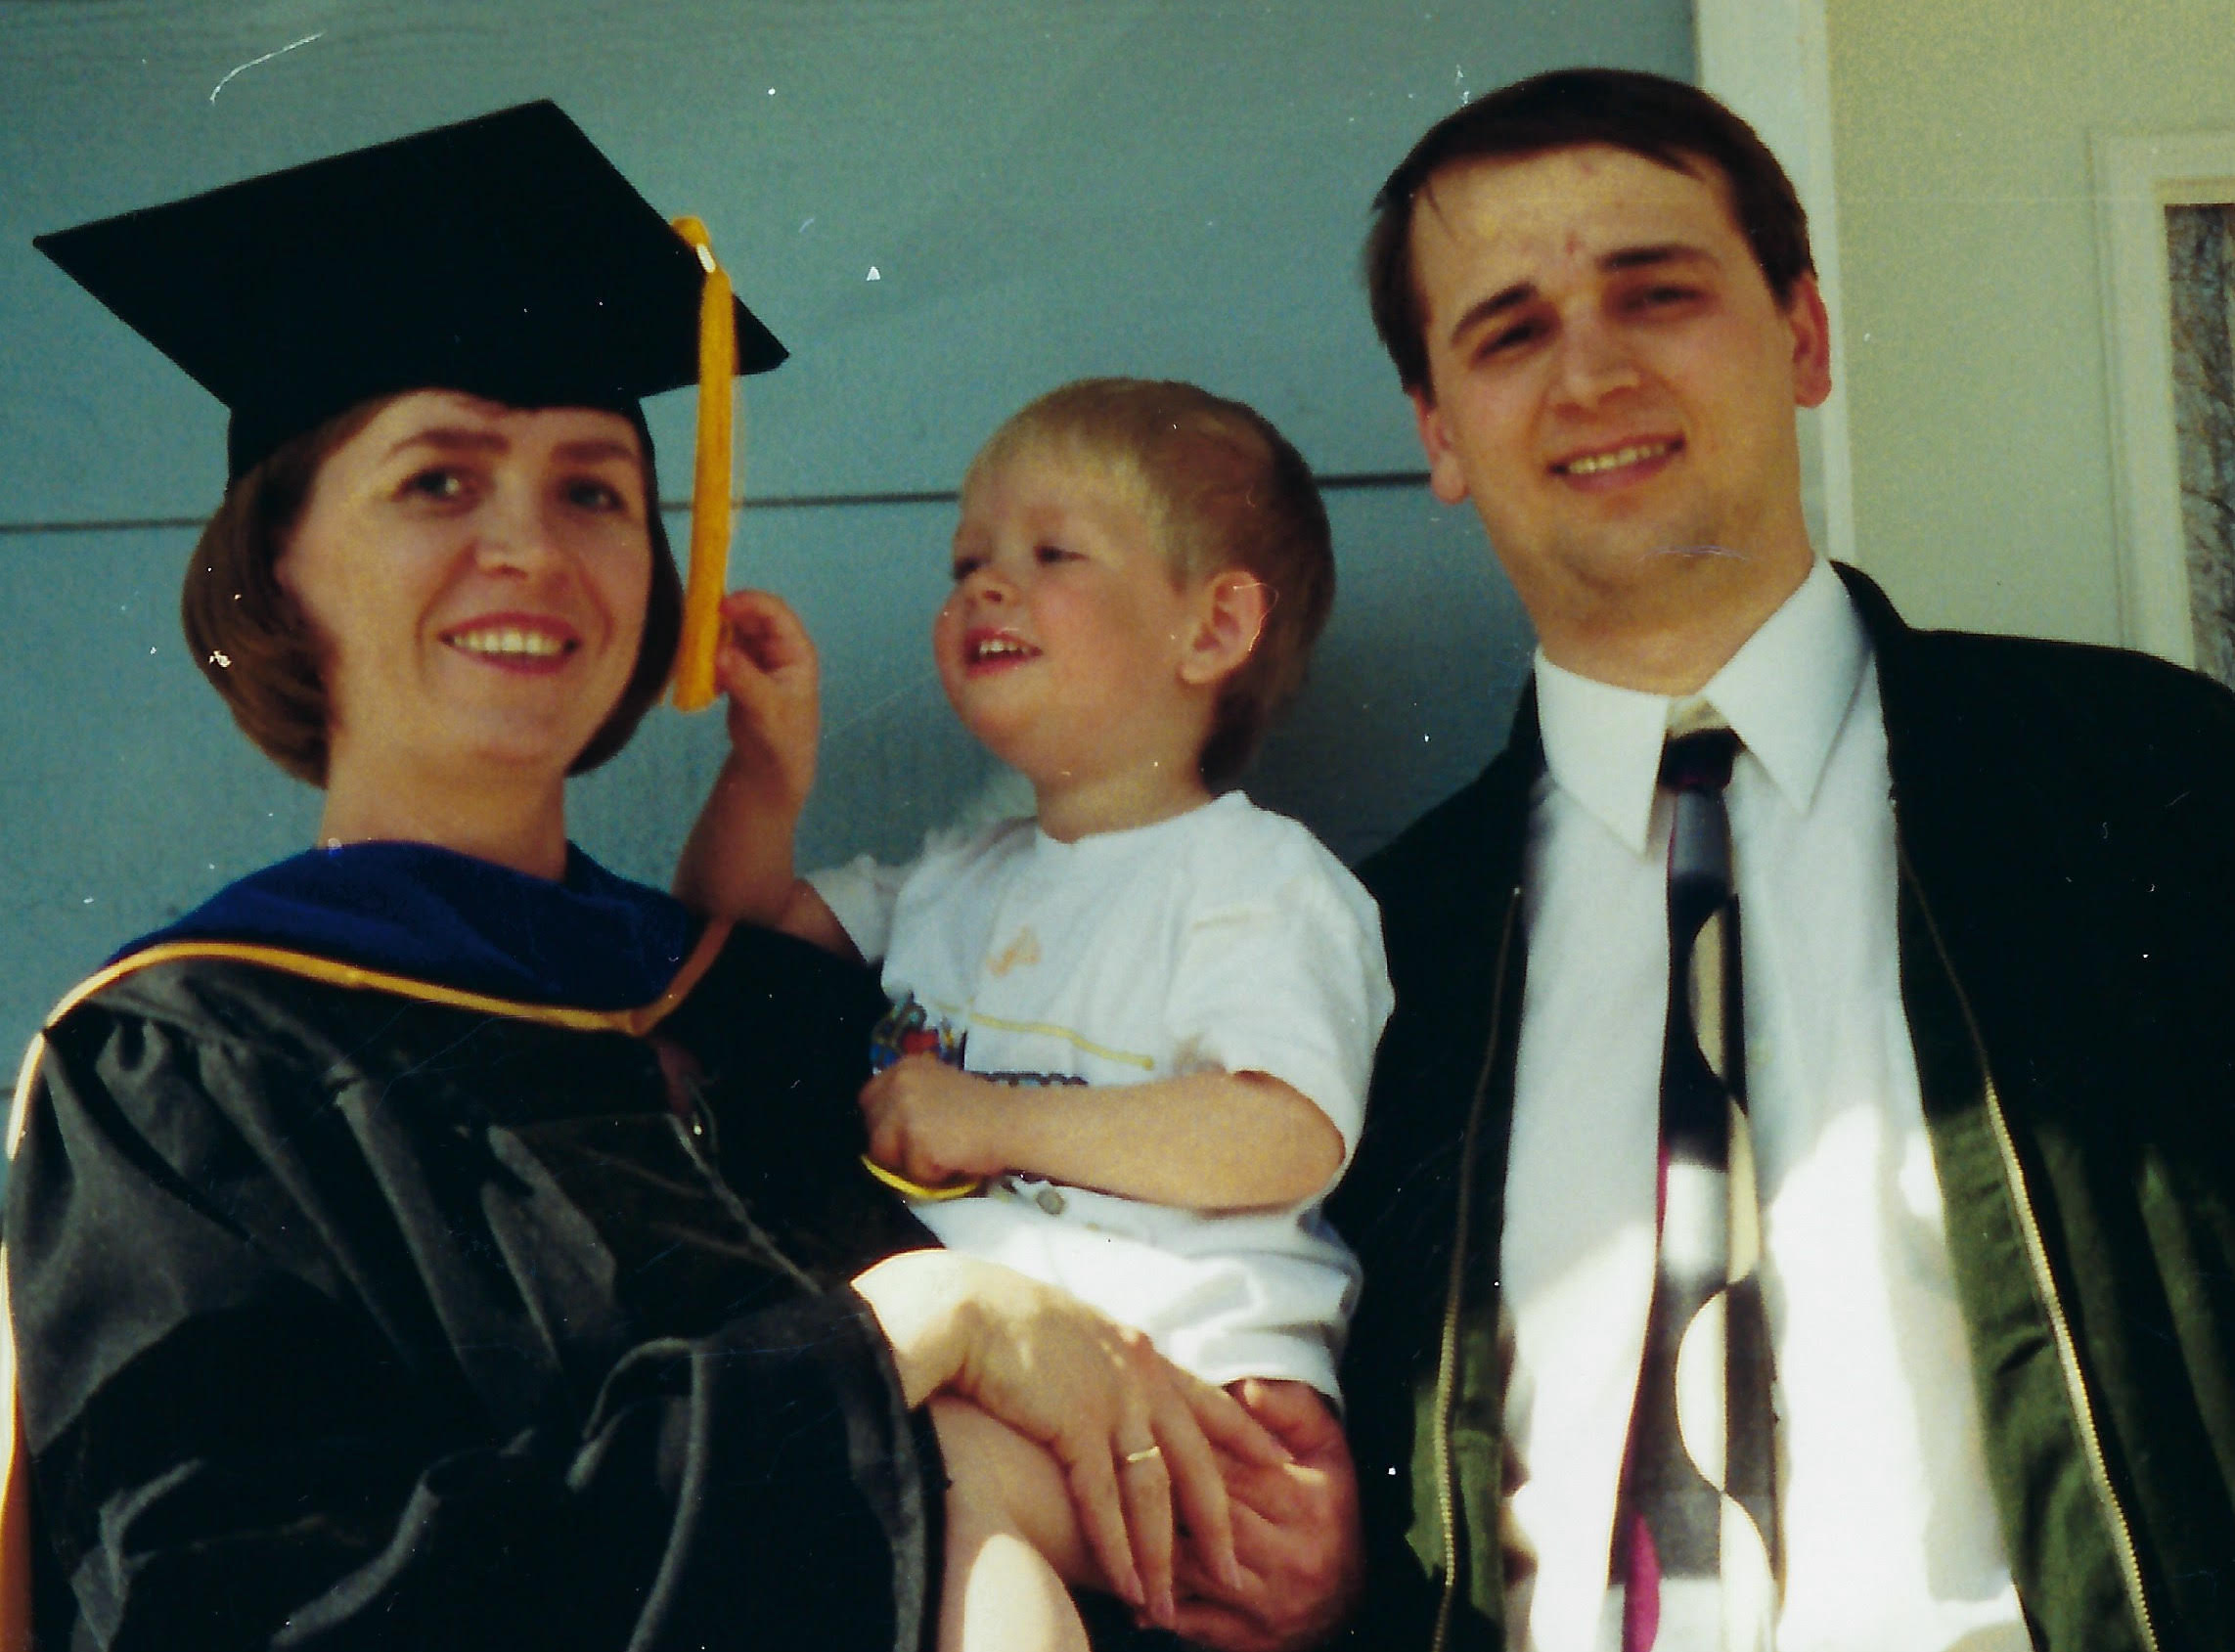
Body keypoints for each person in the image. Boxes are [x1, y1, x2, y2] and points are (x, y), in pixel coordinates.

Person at [1, 104, 1315, 1651]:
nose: (534, 550)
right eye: (438, 482)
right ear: (278, 566)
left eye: (595, 491)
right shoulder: (188, 1071)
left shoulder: (770, 1003)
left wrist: (1256, 1513)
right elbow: (224, 1610)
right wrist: (891, 1338)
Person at [1320, 66, 2235, 1651]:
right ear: (1439, 432)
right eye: (1509, 331)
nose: (1589, 371)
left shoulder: (2152, 782)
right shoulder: (1375, 951)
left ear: (1801, 336)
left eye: (1654, 293)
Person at [672, 378, 1394, 1652]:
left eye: (1050, 553)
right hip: (1024, 1378)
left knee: (941, 1495)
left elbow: (1278, 1131)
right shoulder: (957, 874)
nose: (984, 589)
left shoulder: (1257, 880)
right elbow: (731, 952)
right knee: (905, 1489)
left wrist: (989, 1117)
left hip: (1203, 1401)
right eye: (967, 561)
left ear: (1214, 624)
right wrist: (765, 773)